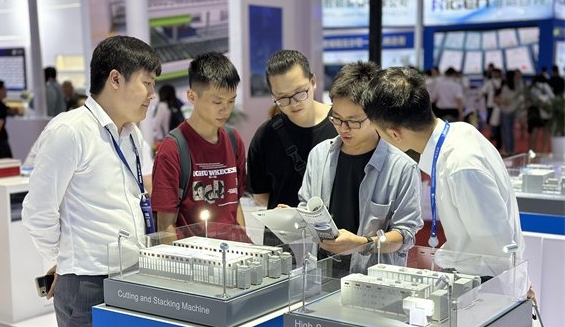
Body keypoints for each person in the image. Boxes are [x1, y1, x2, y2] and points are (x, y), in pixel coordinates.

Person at [22, 35, 161, 327]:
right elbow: (38, 211)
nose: (151, 94)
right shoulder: (71, 131)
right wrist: (59, 260)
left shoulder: (132, 136)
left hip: (131, 281)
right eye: (146, 83)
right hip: (86, 285)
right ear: (115, 79)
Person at [361, 66, 528, 282]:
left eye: (378, 131)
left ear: (394, 134)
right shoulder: (460, 132)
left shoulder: (460, 166)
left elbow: (498, 249)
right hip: (474, 275)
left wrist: (521, 288)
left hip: (483, 283)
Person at [298, 61, 423, 274]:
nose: (343, 128)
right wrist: (294, 217)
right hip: (321, 275)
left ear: (375, 117)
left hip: (373, 281)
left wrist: (363, 244)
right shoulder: (319, 155)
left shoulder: (402, 168)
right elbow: (306, 205)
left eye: (353, 121)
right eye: (337, 118)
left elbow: (405, 235)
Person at [151, 51, 246, 238]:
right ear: (192, 96)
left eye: (231, 101)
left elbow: (235, 204)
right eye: (217, 102)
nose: (225, 109)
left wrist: (245, 246)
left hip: (234, 251)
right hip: (194, 253)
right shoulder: (172, 149)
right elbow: (165, 226)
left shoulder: (233, 139)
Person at [247, 49, 337, 243]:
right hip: (283, 243)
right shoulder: (266, 135)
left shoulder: (342, 126)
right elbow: (261, 195)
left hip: (335, 241)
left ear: (313, 82)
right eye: (282, 98)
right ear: (273, 95)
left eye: (300, 93)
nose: (293, 103)